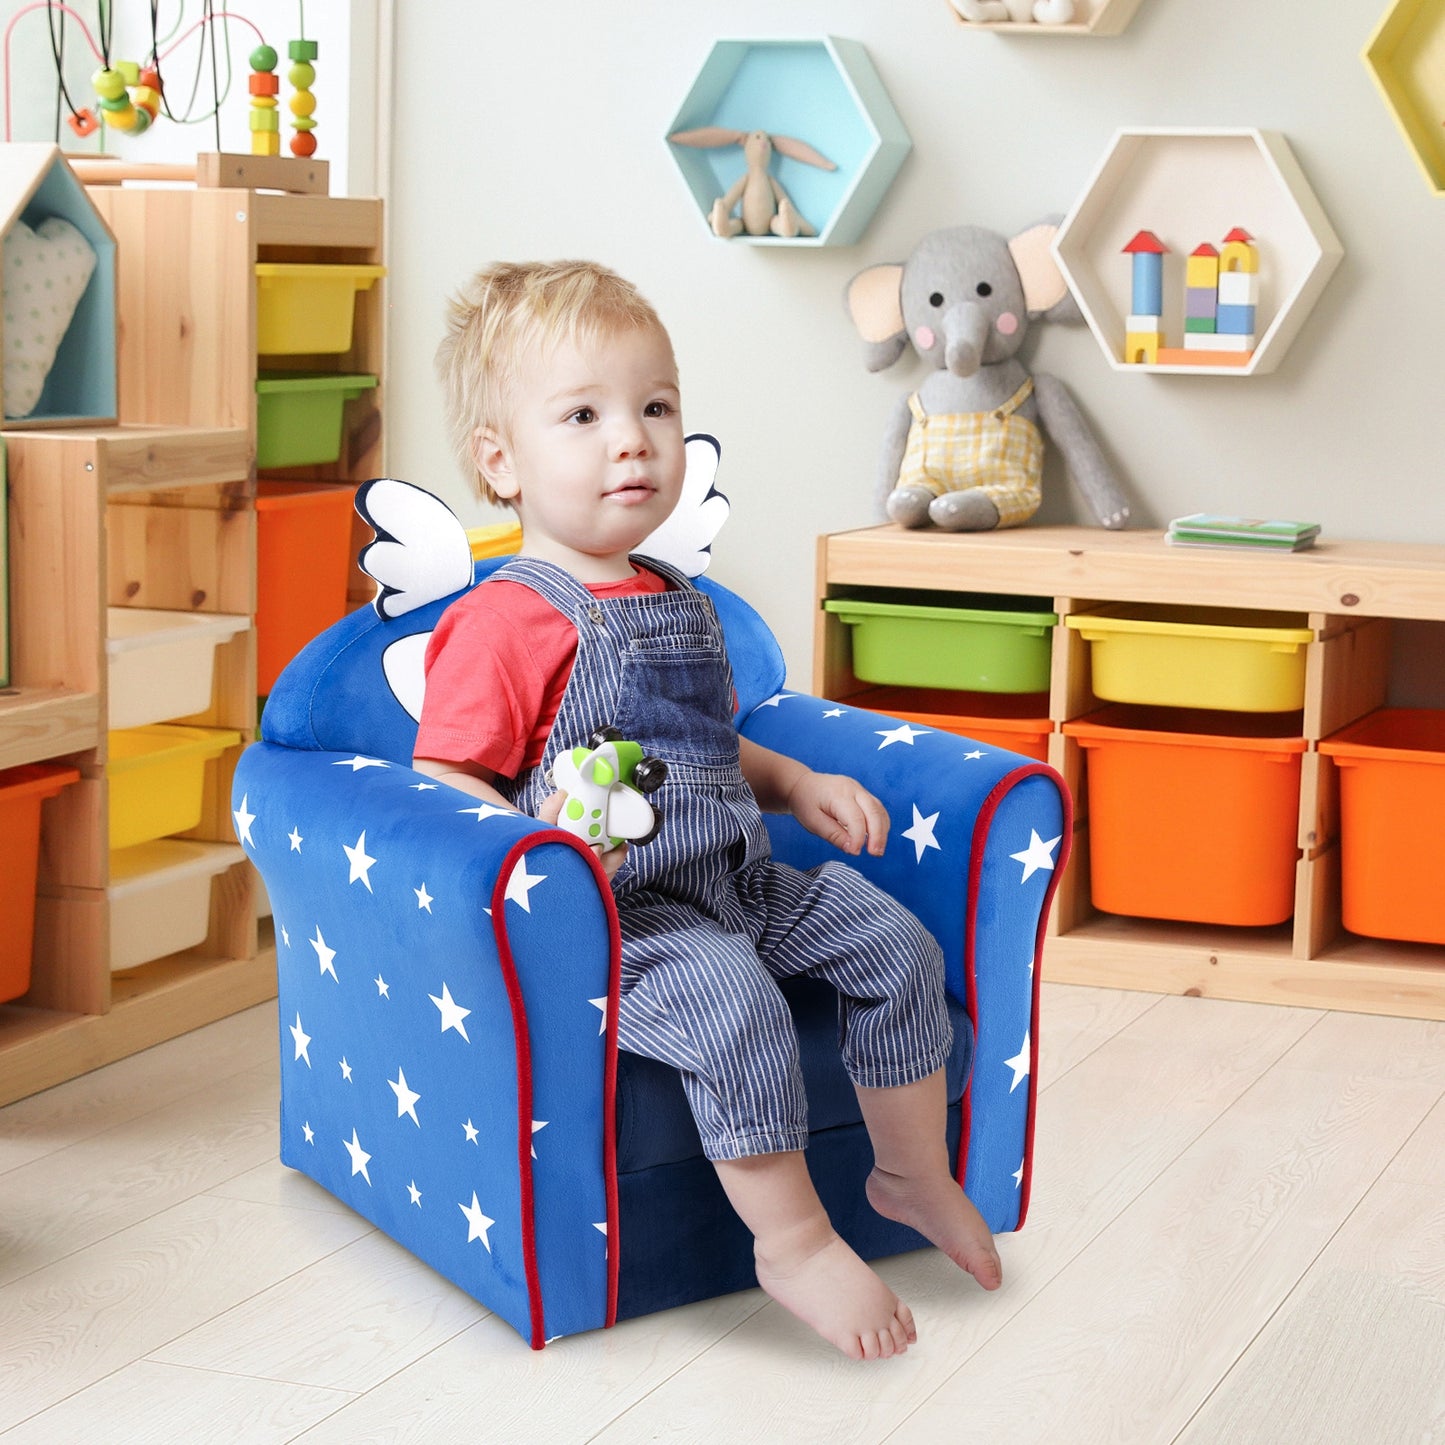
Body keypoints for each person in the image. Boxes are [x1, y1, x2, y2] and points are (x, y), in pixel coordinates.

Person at [414, 259, 1002, 1361]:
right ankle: (792, 1240)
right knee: (733, 1005)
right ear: (500, 461)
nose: (629, 439)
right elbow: (449, 776)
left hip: (734, 881)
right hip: (627, 923)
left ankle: (911, 1171)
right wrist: (532, 865)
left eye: (654, 406)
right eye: (581, 415)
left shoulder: (678, 597)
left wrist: (795, 782)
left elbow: (704, 743)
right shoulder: (507, 620)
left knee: (893, 942)